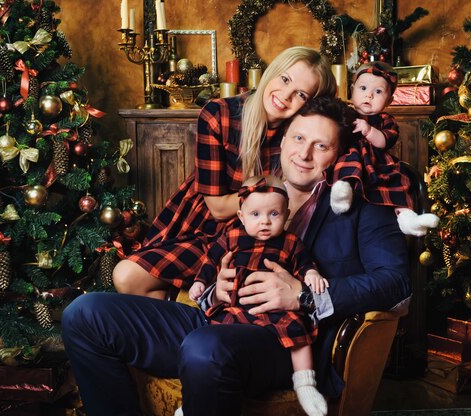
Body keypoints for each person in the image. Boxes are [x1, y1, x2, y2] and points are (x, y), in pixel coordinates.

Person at [62, 96, 410, 416]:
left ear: (338, 155)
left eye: (321, 146)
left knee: (204, 347)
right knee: (86, 313)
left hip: (287, 341)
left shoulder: (364, 208)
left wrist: (302, 297)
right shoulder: (252, 198)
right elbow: (215, 256)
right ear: (285, 139)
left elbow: (395, 281)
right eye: (299, 139)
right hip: (219, 318)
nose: (304, 154)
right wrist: (217, 288)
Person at [111, 46, 336, 300]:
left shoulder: (299, 132)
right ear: (272, 72)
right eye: (284, 79)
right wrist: (279, 186)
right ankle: (175, 330)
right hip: (204, 225)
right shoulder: (219, 114)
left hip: (256, 232)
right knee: (126, 276)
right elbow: (217, 207)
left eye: (301, 94)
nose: (285, 95)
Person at [189, 175, 329, 416]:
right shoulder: (232, 236)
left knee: (298, 329)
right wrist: (200, 282)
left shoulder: (291, 242)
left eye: (274, 214)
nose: (264, 222)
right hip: (238, 306)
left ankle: (305, 383)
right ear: (241, 216)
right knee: (211, 340)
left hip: (278, 309)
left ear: (286, 215)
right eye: (255, 215)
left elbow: (304, 264)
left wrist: (313, 274)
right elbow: (211, 261)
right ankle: (195, 402)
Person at [329, 62, 439, 236]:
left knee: (400, 179)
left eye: (378, 92)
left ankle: (408, 219)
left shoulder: (386, 120)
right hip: (352, 156)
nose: (369, 95)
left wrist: (368, 130)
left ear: (389, 100)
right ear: (352, 89)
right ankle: (342, 190)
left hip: (378, 163)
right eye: (363, 88)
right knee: (348, 160)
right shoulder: (346, 112)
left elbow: (384, 141)